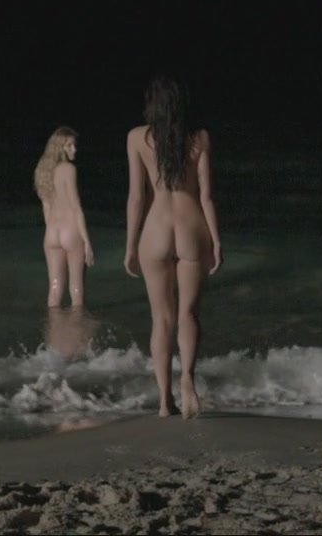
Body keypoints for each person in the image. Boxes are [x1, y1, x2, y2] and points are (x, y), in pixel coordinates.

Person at [124, 76, 223, 418]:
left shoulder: (136, 138)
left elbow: (137, 197)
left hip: (155, 230)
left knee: (161, 319)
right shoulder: (200, 138)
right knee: (188, 314)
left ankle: (165, 402)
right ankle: (188, 380)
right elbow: (207, 196)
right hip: (191, 226)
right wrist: (217, 240)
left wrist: (130, 245)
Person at [34, 127, 94, 307]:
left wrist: (51, 232)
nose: (74, 149)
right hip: (71, 232)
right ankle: (77, 325)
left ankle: (53, 325)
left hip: (51, 233)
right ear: (59, 148)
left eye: (74, 145)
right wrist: (87, 241)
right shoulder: (68, 169)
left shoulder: (42, 171)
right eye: (69, 145)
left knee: (54, 289)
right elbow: (76, 207)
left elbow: (46, 208)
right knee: (76, 289)